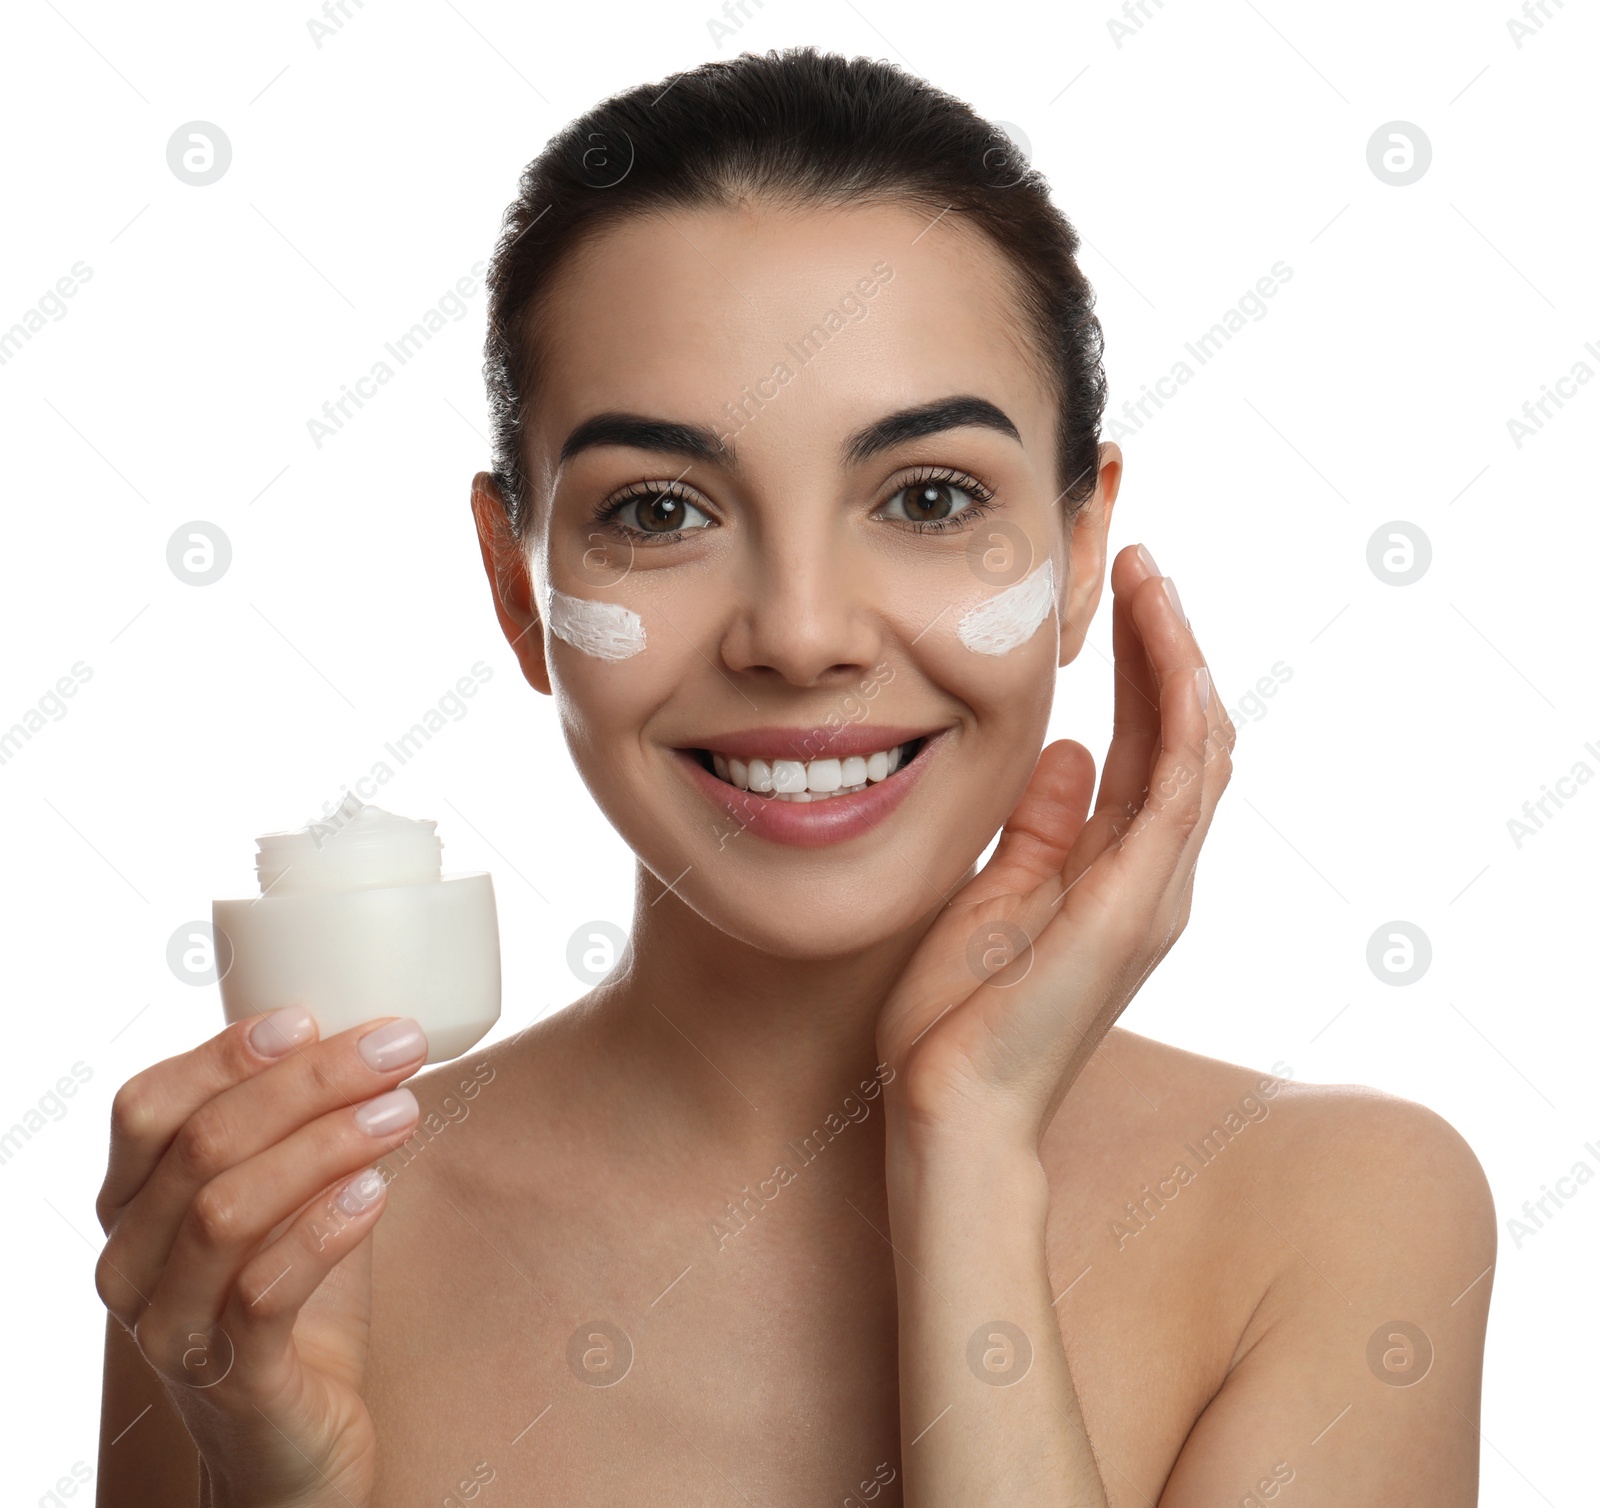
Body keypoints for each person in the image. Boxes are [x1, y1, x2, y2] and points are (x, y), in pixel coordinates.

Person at [94, 46, 1495, 1506]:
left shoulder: (1345, 1217)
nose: (803, 635)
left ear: (1083, 553)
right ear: (517, 588)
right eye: (659, 508)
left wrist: (969, 1152)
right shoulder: (258, 1248)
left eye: (931, 497)